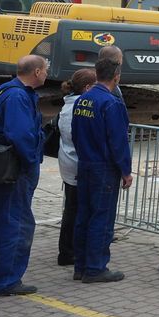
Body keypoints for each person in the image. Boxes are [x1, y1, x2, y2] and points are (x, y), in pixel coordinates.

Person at [0, 55, 48, 296]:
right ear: (37, 72)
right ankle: (5, 280)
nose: (47, 74)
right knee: (15, 225)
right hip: (13, 169)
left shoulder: (5, 90)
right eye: (45, 70)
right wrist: (30, 162)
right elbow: (20, 134)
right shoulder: (18, 96)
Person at [71, 57, 132, 283]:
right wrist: (126, 171)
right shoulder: (111, 103)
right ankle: (95, 267)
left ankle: (81, 266)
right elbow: (118, 142)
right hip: (103, 167)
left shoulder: (83, 100)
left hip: (85, 163)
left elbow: (75, 134)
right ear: (117, 76)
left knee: (84, 216)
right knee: (101, 218)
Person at [56, 68, 98, 268]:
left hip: (68, 161)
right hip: (76, 164)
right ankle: (68, 251)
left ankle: (68, 249)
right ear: (88, 87)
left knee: (72, 208)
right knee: (74, 210)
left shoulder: (67, 105)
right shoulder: (77, 107)